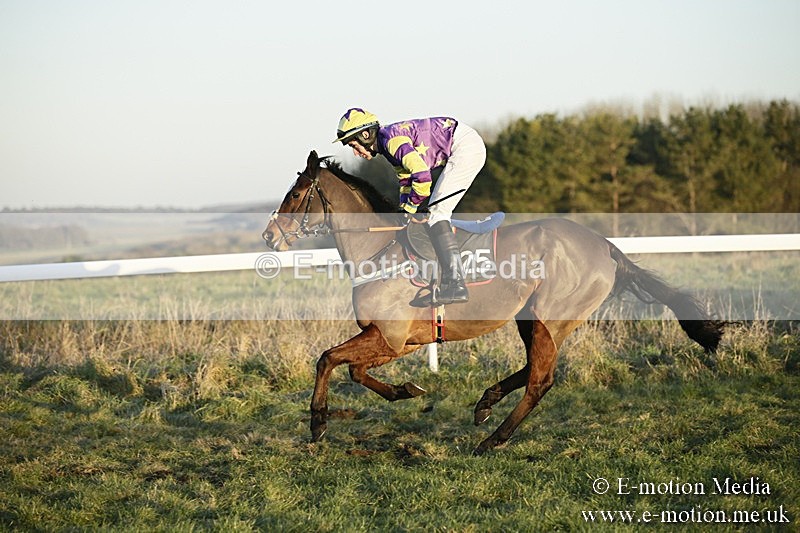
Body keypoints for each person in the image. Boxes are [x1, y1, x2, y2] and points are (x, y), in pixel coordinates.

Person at [334, 108, 487, 304]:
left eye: (355, 146)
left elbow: (422, 178)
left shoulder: (392, 141)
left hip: (465, 148)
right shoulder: (387, 144)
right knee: (432, 213)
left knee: (437, 215)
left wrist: (410, 208)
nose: (356, 153)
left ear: (365, 135)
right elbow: (406, 180)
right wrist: (403, 210)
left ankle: (456, 284)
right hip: (459, 143)